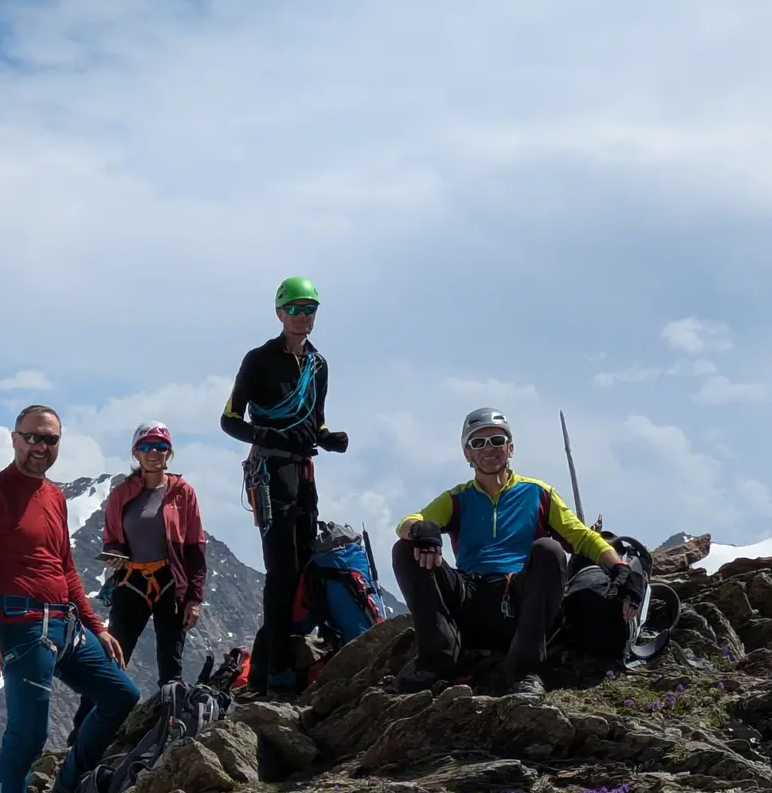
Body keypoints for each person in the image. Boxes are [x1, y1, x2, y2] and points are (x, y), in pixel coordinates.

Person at [0, 404, 138, 793]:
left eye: (50, 439)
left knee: (123, 695)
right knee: (28, 735)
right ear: (14, 438)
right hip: (22, 627)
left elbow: (66, 568)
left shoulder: (54, 496)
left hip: (67, 624)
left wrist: (96, 626)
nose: (40, 446)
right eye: (32, 437)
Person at [392, 407, 643, 697]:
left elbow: (582, 538)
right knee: (405, 549)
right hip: (470, 596)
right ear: (467, 454)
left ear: (510, 449)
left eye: (497, 441)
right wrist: (419, 531)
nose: (489, 449)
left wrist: (620, 568)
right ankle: (438, 659)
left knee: (549, 550)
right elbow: (408, 522)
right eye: (478, 442)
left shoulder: (538, 492)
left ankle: (526, 672)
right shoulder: (456, 498)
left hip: (520, 600)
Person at [221, 276, 349, 694]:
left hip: (303, 471)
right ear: (279, 313)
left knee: (302, 563)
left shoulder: (318, 365)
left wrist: (327, 438)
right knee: (282, 570)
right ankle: (274, 666)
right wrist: (267, 436)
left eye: (309, 308)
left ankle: (277, 662)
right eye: (294, 308)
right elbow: (230, 419)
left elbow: (317, 418)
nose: (302, 315)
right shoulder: (258, 360)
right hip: (270, 471)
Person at [69, 422, 207, 736]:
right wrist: (115, 552)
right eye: (146, 447)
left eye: (160, 447)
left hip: (170, 583)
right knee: (111, 659)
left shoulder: (182, 492)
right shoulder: (123, 494)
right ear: (136, 453)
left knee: (170, 662)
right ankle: (80, 736)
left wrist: (194, 599)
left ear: (169, 452)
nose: (153, 453)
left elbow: (195, 547)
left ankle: (170, 729)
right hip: (131, 582)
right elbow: (111, 538)